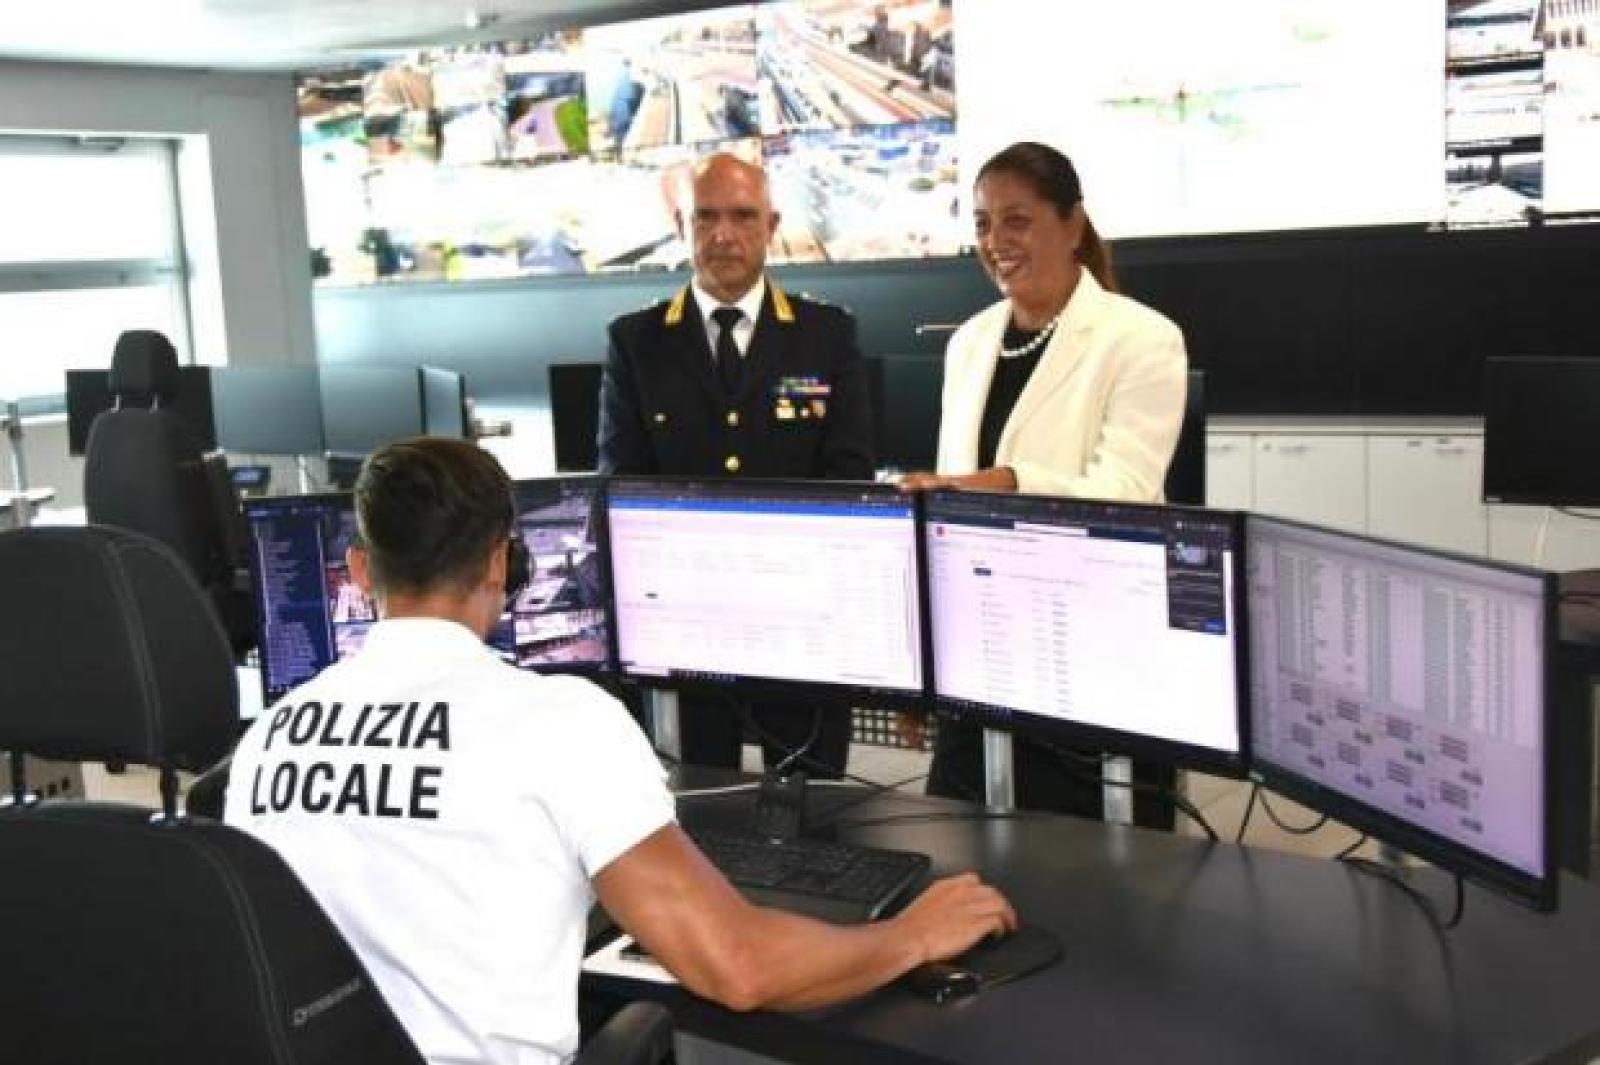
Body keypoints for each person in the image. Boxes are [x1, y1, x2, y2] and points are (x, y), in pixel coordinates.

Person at [225, 437, 1014, 1065]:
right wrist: (914, 933)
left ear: (361, 570)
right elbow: (736, 966)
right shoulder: (557, 721)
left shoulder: (265, 741)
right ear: (502, 560)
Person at [901, 141, 1188, 826]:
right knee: (962, 862)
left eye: (1016, 220)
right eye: (981, 223)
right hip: (980, 652)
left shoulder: (1143, 338)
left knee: (1096, 885)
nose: (995, 241)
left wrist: (1001, 484)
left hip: (1092, 657)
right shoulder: (968, 341)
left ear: (1073, 224)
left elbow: (1126, 491)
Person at [598, 152, 874, 778]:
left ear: (771, 224)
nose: (724, 234)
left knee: (817, 812)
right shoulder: (635, 341)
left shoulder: (826, 335)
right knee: (693, 812)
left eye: (743, 216)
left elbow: (850, 481)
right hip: (682, 630)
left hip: (801, 623)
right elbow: (621, 487)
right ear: (681, 225)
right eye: (707, 217)